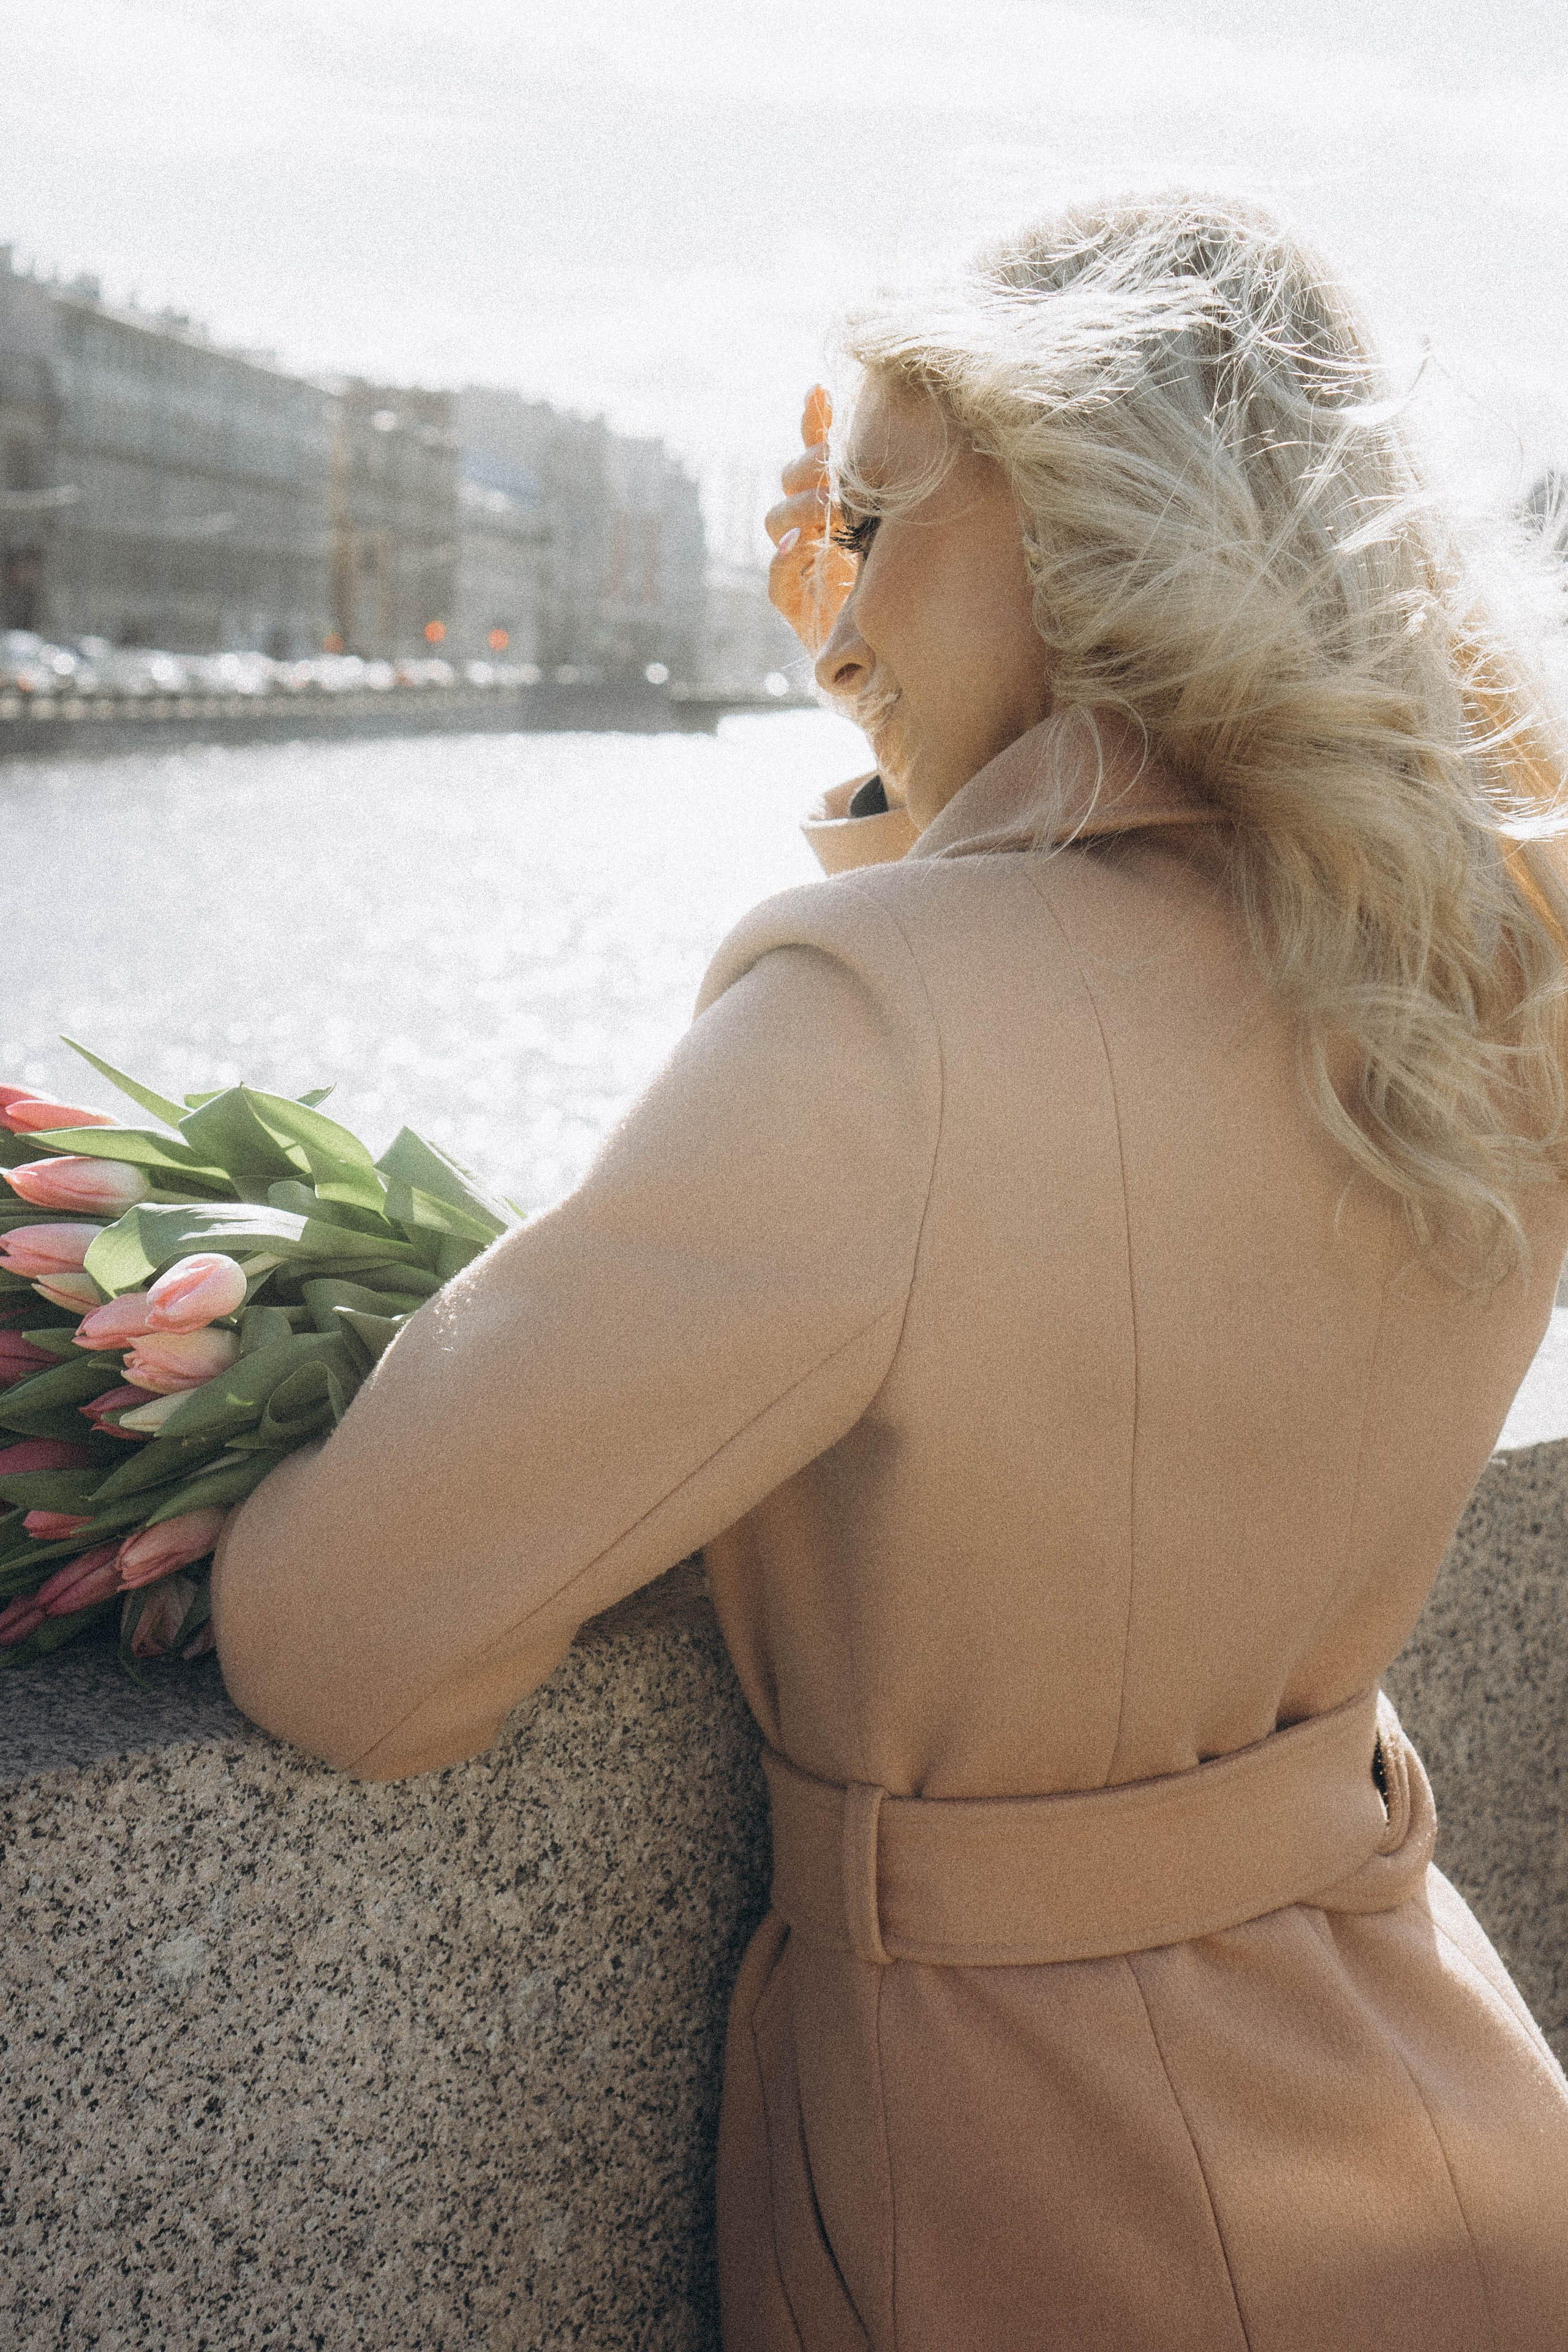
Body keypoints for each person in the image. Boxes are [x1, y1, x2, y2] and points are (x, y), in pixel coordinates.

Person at [212, 194, 1568, 2348]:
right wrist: (916, 669)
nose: (832, 597)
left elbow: (340, 1643)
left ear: (1084, 510)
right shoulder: (1493, 960)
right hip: (1442, 2109)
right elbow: (1103, 1049)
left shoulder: (884, 1030)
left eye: (869, 518)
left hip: (1050, 2195)